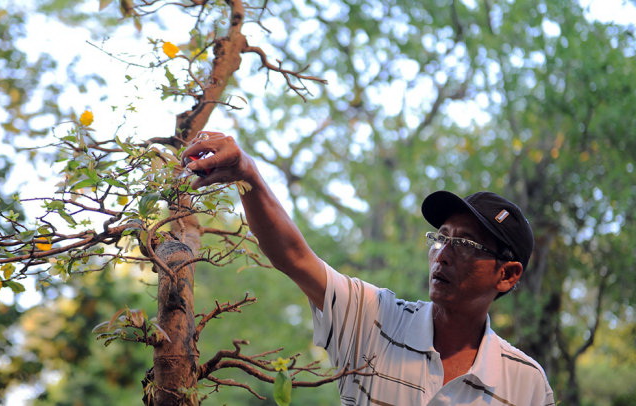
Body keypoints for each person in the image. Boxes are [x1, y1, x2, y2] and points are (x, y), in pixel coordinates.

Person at [181, 131, 555, 405]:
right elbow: (293, 256)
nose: (442, 254)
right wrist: (248, 175)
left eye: (466, 244)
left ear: (507, 275)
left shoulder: (525, 383)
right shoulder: (374, 320)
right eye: (441, 237)